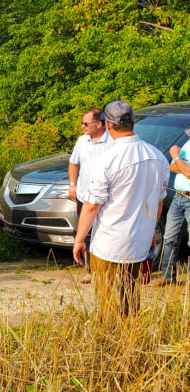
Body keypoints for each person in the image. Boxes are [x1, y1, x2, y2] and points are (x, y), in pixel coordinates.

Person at [72, 100, 169, 320]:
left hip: (109, 244)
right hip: (139, 243)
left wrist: (79, 239)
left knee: (108, 304)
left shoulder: (106, 159)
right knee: (130, 299)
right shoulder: (157, 156)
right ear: (133, 121)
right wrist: (151, 229)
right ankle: (130, 341)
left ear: (108, 125)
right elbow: (158, 201)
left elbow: (92, 205)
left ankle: (111, 343)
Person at [68, 108, 111, 284]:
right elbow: (73, 163)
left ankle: (109, 269)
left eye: (86, 124)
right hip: (84, 194)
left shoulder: (113, 142)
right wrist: (72, 185)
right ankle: (91, 270)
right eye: (82, 123)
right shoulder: (82, 141)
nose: (83, 127)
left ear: (99, 124)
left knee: (106, 232)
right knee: (85, 233)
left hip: (106, 197)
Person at [149, 128, 190, 288]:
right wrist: (181, 163)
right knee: (169, 238)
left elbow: (188, 173)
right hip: (179, 196)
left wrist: (176, 157)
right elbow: (172, 167)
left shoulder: (178, 151)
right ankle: (167, 276)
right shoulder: (187, 144)